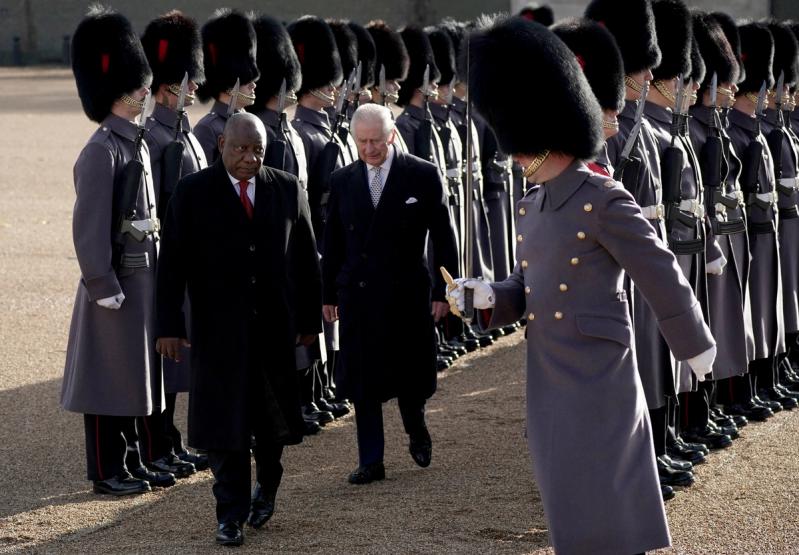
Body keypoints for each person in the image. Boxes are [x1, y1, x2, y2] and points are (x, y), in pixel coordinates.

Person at [449, 16, 716, 554]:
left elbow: (658, 269)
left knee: (608, 503)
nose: (514, 154)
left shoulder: (602, 197)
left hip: (599, 371)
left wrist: (695, 345)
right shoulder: (536, 201)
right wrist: (486, 297)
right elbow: (529, 284)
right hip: (549, 370)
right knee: (568, 500)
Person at [156, 113, 322, 546]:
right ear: (221, 146)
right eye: (240, 149)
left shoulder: (287, 188)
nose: (249, 159)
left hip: (274, 332)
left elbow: (306, 260)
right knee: (223, 427)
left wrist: (309, 323)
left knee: (272, 424)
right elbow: (171, 267)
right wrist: (169, 326)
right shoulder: (192, 194)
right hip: (217, 334)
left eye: (257, 151)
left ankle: (267, 486)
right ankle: (229, 513)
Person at [61, 6, 169, 495]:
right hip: (116, 283)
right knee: (108, 381)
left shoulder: (136, 143)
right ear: (122, 89)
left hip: (141, 278)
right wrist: (101, 283)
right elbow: (88, 227)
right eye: (140, 84)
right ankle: (107, 470)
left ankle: (129, 462)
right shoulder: (102, 149)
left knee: (132, 377)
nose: (147, 90)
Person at [322, 103, 458, 484]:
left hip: (407, 293)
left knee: (410, 375)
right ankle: (371, 459)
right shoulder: (343, 180)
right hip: (359, 295)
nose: (369, 149)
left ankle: (416, 429)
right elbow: (332, 240)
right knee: (363, 381)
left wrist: (446, 291)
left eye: (376, 141)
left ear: (392, 136)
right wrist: (328, 292)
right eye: (362, 142)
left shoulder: (423, 174)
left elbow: (444, 238)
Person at [138, 8, 207, 477]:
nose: (195, 89)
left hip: (191, 259)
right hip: (168, 260)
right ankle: (157, 443)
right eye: (188, 82)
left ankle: (171, 438)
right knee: (163, 356)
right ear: (169, 86)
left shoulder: (181, 131)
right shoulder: (157, 137)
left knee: (181, 356)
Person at [194, 9, 259, 163]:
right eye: (245, 79)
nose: (253, 84)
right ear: (228, 82)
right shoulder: (207, 129)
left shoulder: (253, 122)